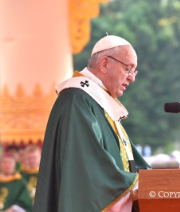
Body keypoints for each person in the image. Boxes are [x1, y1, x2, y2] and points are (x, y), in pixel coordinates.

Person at [34, 34, 151, 212]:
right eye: (128, 69)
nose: (132, 78)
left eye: (133, 71)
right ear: (104, 64)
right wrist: (135, 184)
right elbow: (88, 170)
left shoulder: (100, 103)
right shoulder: (77, 100)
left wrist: (156, 180)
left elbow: (132, 162)